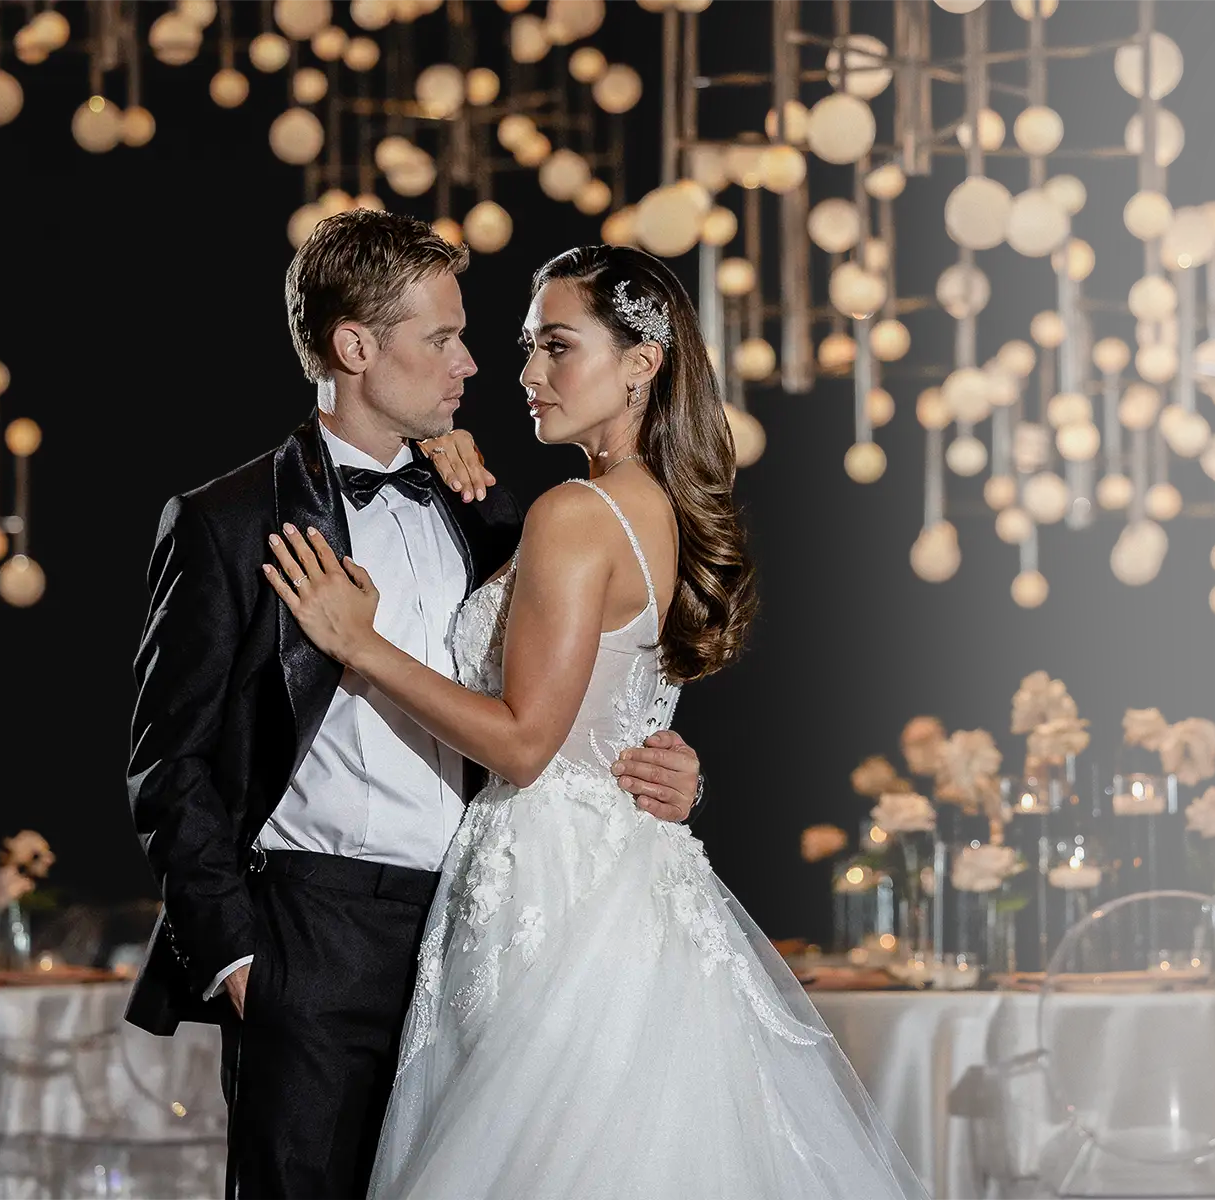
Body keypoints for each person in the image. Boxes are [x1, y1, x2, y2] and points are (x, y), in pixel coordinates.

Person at [263, 244, 926, 1200]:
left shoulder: (577, 513)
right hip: (618, 871)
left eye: (556, 347)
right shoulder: (647, 506)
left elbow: (526, 745)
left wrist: (362, 646)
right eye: (527, 347)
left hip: (551, 879)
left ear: (642, 361)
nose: (525, 374)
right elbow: (609, 712)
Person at [126, 210, 708, 1200]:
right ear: (355, 346)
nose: (471, 364)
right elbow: (165, 765)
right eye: (441, 337)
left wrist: (668, 764)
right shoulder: (227, 520)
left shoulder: (493, 510)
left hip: (490, 926)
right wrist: (238, 962)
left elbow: (573, 689)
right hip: (313, 934)